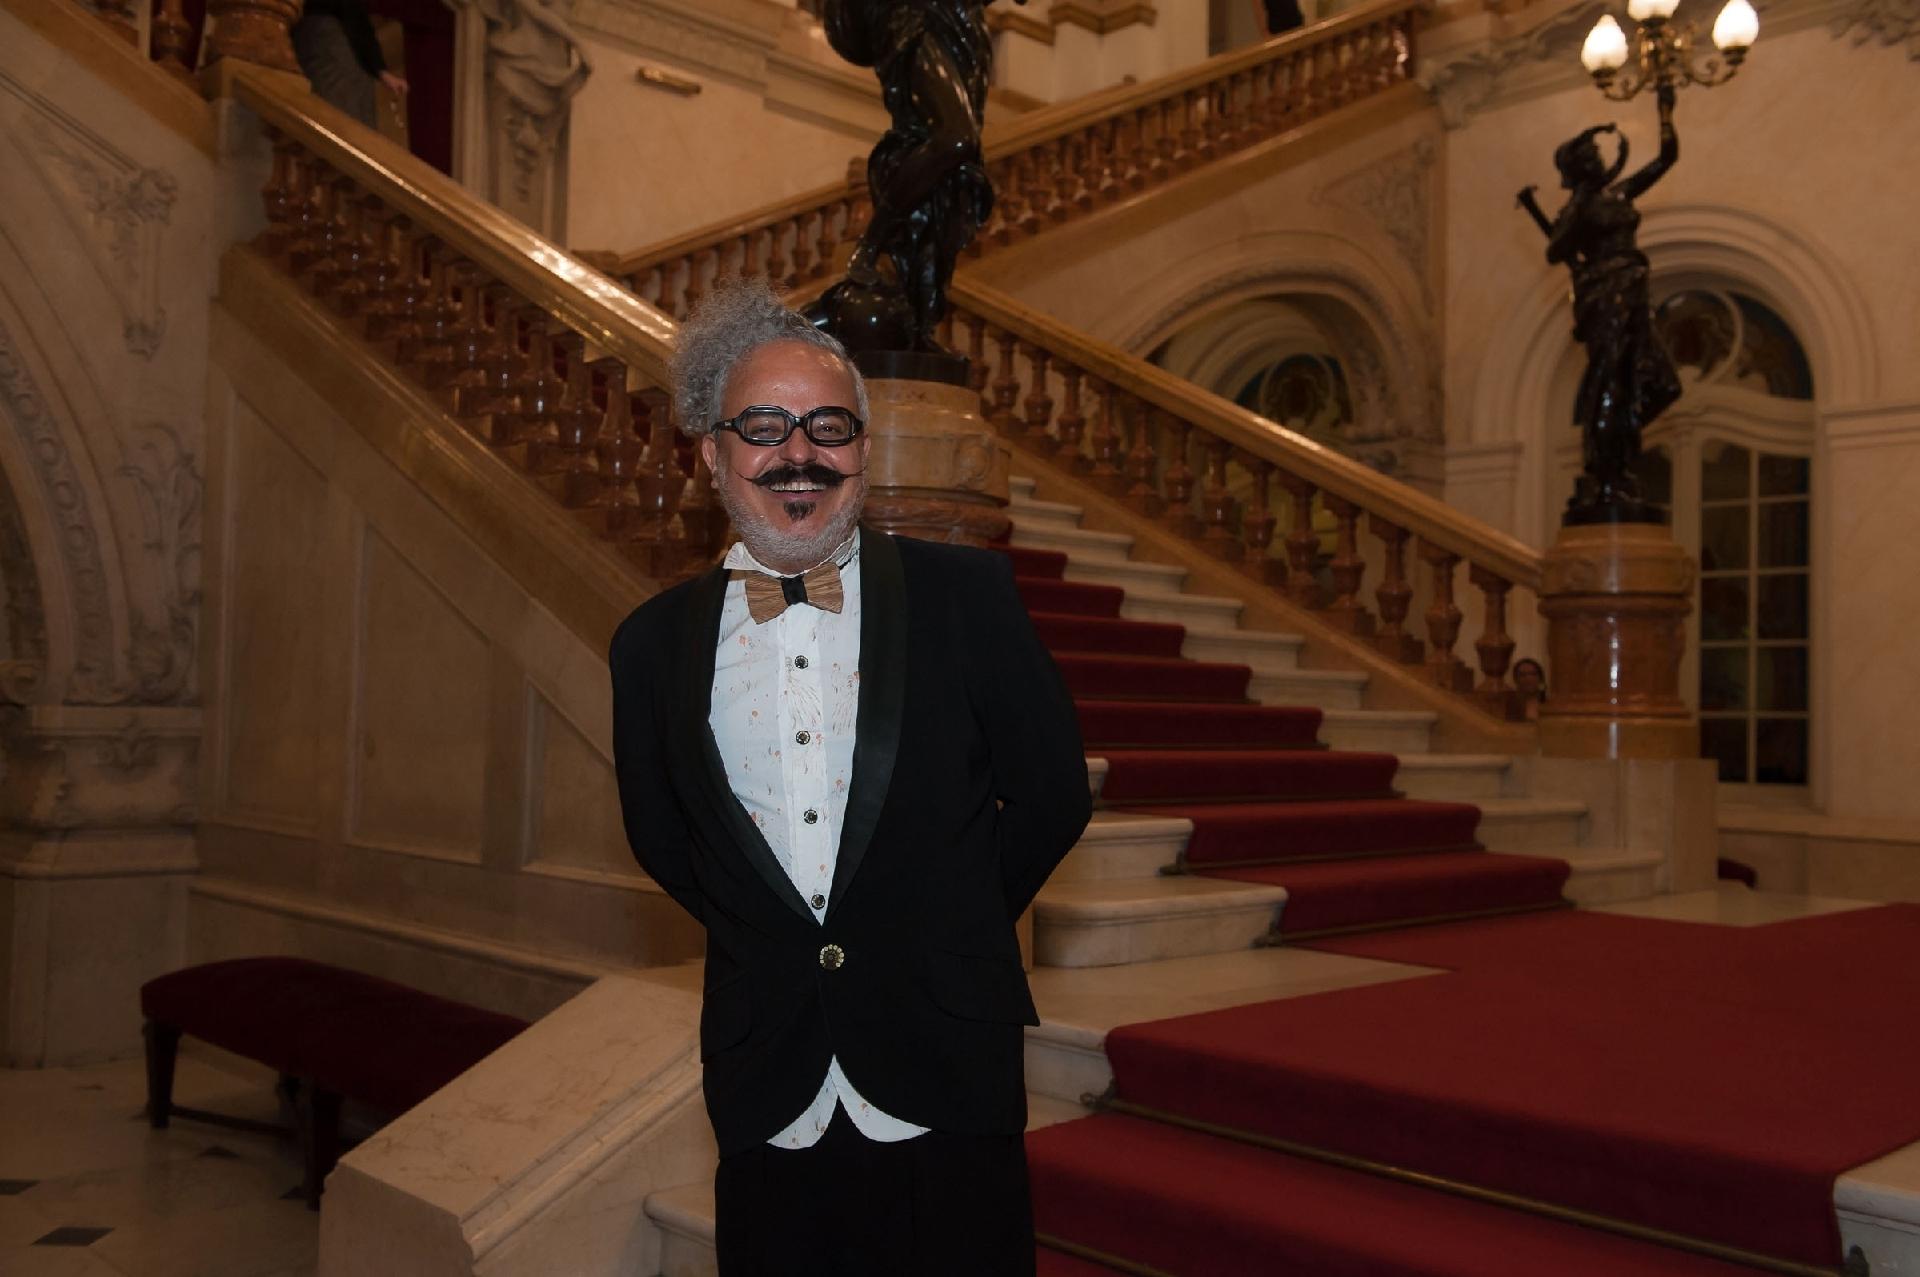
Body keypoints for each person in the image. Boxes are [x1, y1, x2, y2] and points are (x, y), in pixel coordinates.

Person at [608, 277, 1091, 1276]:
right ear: (713, 453)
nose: (799, 452)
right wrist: (780, 934)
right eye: (764, 424)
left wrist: (936, 921)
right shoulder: (650, 647)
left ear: (863, 450)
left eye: (828, 425)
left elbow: (1051, 795)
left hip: (949, 1066)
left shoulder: (970, 600)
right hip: (766, 1075)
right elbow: (666, 840)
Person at [1516, 83, 1682, 523]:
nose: (1597, 156)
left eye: (1596, 151)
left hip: (1633, 287)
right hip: (1606, 295)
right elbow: (1556, 251)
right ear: (1579, 167)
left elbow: (1667, 159)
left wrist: (1665, 111)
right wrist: (1571, 221)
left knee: (1664, 385)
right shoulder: (1579, 207)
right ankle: (1607, 469)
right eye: (1589, 154)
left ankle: (1614, 448)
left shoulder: (1617, 194)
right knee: (1612, 380)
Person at [292, 0, 409, 130]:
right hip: (327, 33)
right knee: (347, 122)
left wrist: (380, 69)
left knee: (353, 121)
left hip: (333, 34)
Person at [1512, 657, 1547, 721]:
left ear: (1540, 678)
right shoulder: (1509, 703)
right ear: (1515, 679)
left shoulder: (1548, 702)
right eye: (1522, 675)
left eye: (1533, 674)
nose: (1528, 679)